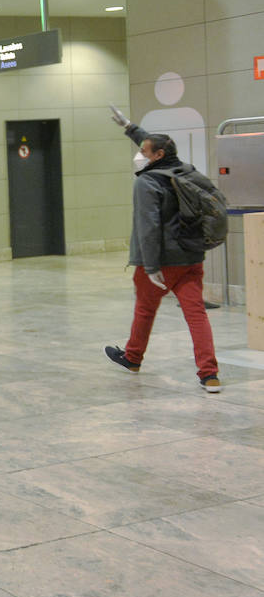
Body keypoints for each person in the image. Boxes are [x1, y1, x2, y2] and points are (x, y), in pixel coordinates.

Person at [104, 106, 220, 392]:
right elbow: (156, 144)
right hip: (190, 257)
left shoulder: (146, 183)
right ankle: (210, 374)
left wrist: (152, 266)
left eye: (144, 151)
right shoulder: (184, 170)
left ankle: (132, 358)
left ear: (156, 156)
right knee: (196, 314)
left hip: (159, 261)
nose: (139, 154)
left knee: (145, 310)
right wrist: (130, 127)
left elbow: (148, 228)